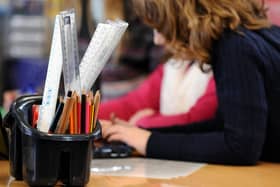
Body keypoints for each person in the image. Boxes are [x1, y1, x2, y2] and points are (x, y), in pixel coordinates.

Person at [101, 0, 280, 165]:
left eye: (161, 27)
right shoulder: (256, 34)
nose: (157, 40)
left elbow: (240, 147)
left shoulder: (235, 46)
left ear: (184, 16)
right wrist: (142, 134)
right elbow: (223, 126)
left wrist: (148, 141)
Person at [99, 24, 217, 129]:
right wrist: (85, 114)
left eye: (162, 24)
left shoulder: (222, 63)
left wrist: (142, 122)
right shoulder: (175, 63)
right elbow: (132, 104)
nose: (157, 40)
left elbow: (198, 119)